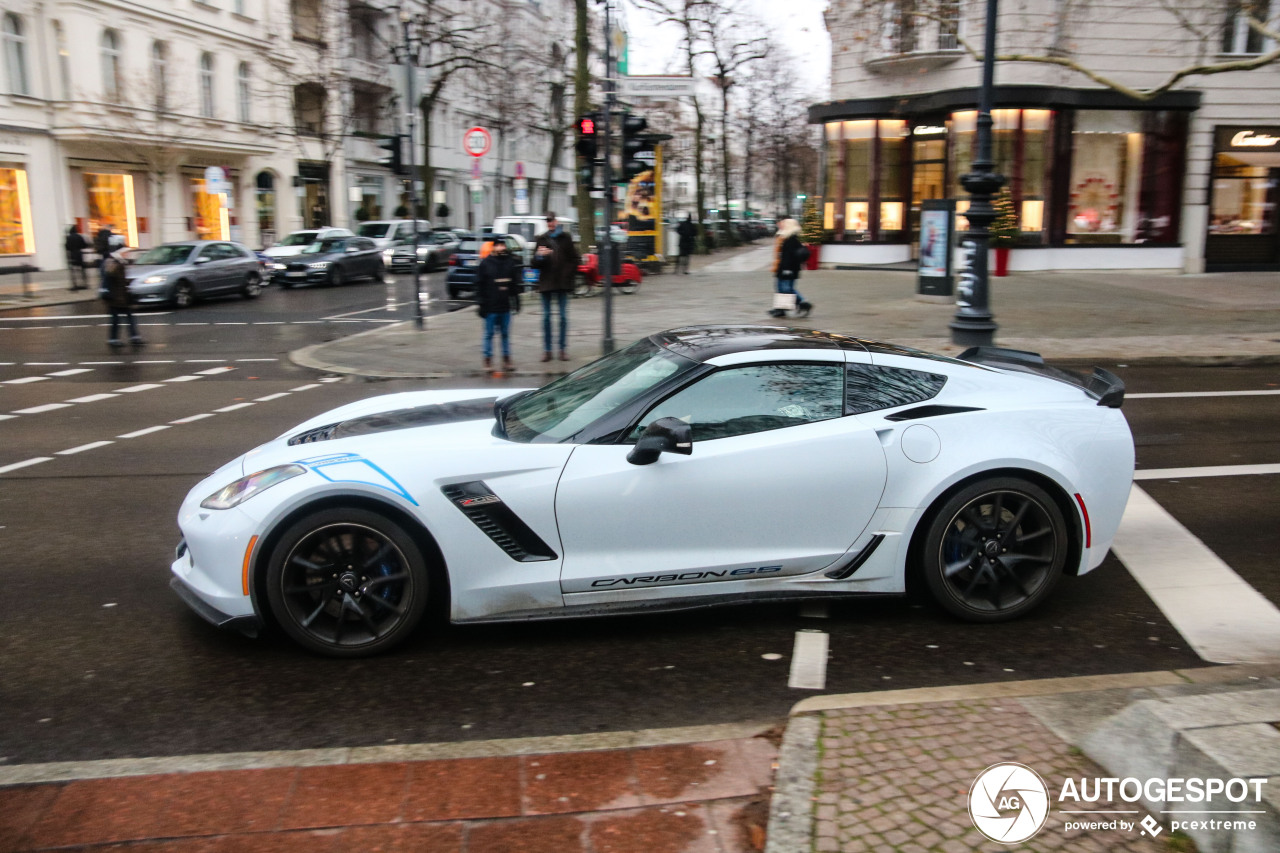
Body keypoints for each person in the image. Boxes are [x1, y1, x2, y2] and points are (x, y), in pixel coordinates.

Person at [532, 211, 579, 362]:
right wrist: (540, 256)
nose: (550, 223)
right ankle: (547, 350)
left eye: (552, 220)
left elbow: (574, 259)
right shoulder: (542, 239)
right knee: (546, 317)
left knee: (563, 317)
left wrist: (567, 273)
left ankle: (562, 349)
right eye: (548, 221)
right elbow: (534, 264)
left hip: (562, 283)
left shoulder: (566, 238)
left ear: (557, 221)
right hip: (546, 282)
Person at [475, 237, 521, 373]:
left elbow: (513, 284)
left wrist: (516, 301)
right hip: (490, 306)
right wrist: (481, 303)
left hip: (505, 305)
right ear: (493, 247)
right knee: (489, 334)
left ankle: (507, 359)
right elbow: (479, 284)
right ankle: (487, 360)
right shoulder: (485, 264)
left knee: (505, 334)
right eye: (499, 245)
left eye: (503, 245)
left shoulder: (509, 262)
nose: (502, 248)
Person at [102, 235, 143, 350]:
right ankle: (115, 339)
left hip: (121, 297)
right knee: (117, 319)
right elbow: (109, 278)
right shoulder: (113, 263)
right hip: (115, 298)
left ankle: (133, 337)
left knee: (126, 317)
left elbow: (120, 280)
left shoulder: (119, 262)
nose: (127, 254)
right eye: (125, 252)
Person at [771, 218, 812, 319]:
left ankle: (803, 303)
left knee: (786, 289)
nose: (782, 225)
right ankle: (780, 309)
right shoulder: (788, 238)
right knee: (782, 288)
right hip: (785, 268)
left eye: (785, 224)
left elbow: (789, 257)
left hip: (788, 269)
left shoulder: (791, 240)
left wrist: (786, 269)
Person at [65, 224, 89, 290]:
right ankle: (85, 283)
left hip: (72, 255)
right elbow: (84, 245)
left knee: (73, 271)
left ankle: (75, 285)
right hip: (79, 254)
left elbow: (67, 247)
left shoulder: (69, 237)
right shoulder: (79, 236)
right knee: (82, 270)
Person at [93, 225, 114, 289]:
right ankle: (109, 286)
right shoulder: (111, 235)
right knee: (110, 272)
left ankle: (103, 287)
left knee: (103, 272)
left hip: (102, 256)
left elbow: (97, 248)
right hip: (110, 255)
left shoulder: (99, 236)